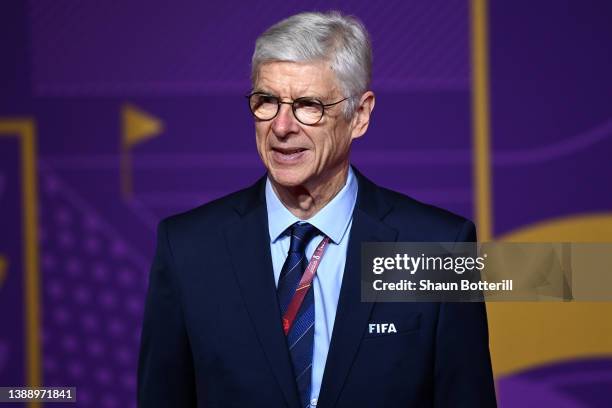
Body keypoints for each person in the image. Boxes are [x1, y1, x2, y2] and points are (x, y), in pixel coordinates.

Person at [138, 11, 496, 408]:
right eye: (267, 102)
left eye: (308, 105)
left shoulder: (438, 247)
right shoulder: (188, 248)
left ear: (359, 116)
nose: (282, 126)